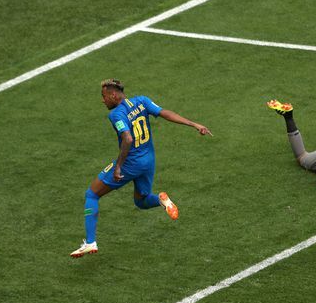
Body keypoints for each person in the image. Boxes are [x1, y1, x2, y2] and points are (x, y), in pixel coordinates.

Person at [70, 79, 212, 258]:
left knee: (92, 194)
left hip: (131, 163)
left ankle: (90, 242)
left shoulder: (116, 115)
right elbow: (164, 113)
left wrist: (118, 167)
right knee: (141, 200)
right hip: (148, 160)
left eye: (104, 96)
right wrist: (194, 124)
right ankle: (162, 201)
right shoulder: (142, 101)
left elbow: (128, 139)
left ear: (114, 95)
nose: (103, 100)